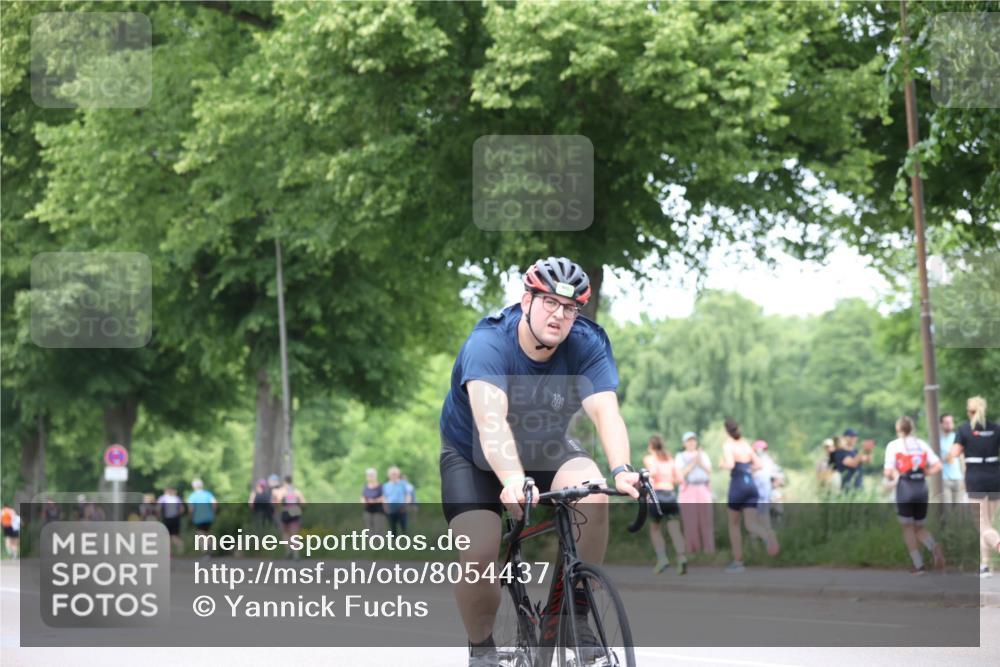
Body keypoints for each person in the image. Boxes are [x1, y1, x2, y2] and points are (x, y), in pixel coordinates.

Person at [438, 257, 638, 667]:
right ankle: (482, 649)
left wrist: (622, 469)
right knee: (478, 552)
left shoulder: (587, 342)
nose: (559, 315)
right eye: (549, 302)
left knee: (594, 494)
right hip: (473, 452)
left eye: (570, 308)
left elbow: (605, 412)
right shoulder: (488, 344)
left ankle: (573, 614)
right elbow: (491, 424)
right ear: (526, 300)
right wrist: (511, 478)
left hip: (545, 443)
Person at [883, 416, 945, 575]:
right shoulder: (921, 444)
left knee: (907, 528)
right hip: (921, 488)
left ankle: (919, 566)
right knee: (919, 527)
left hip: (905, 488)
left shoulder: (894, 445)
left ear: (898, 430)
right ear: (912, 429)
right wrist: (926, 472)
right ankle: (933, 546)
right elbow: (938, 465)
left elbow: (888, 472)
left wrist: (894, 477)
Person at [946, 396, 1000, 578]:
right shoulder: (995, 428)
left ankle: (998, 545)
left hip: (976, 477)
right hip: (994, 477)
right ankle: (985, 565)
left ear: (970, 412)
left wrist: (951, 454)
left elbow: (953, 454)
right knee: (988, 524)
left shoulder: (964, 429)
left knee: (982, 525)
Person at [720, 418, 779, 573]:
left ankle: (738, 562)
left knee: (733, 525)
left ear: (726, 431)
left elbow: (731, 464)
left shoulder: (728, 445)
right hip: (751, 485)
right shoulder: (745, 444)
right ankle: (767, 535)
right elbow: (759, 464)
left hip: (738, 484)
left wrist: (722, 464)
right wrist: (747, 470)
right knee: (750, 524)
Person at [642, 434, 687, 574]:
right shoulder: (670, 460)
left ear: (650, 446)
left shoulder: (649, 459)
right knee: (675, 529)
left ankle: (662, 559)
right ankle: (681, 558)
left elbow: (652, 473)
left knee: (655, 529)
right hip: (671, 496)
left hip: (657, 496)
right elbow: (680, 479)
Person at [677, 431, 715, 555]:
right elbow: (680, 474)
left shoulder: (703, 455)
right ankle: (692, 551)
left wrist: (700, 461)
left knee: (706, 520)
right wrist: (694, 462)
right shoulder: (680, 456)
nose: (692, 443)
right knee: (690, 521)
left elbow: (709, 471)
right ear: (684, 443)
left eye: (693, 440)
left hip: (703, 488)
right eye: (689, 440)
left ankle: (709, 551)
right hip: (688, 489)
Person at [274, 476, 305, 558]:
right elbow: (303, 503)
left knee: (285, 532)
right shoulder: (296, 491)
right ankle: (296, 553)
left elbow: (277, 502)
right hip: (295, 510)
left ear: (285, 482)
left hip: (286, 510)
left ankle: (288, 550)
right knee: (295, 533)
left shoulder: (282, 491)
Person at [751, 440, 780, 529]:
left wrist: (774, 486)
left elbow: (776, 477)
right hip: (756, 492)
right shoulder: (753, 461)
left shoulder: (768, 461)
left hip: (765, 492)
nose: (760, 451)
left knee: (764, 513)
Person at [938, 413, 965, 505]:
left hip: (958, 477)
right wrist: (948, 456)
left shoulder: (957, 437)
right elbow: (934, 459)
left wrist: (964, 477)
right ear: (941, 424)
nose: (949, 424)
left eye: (951, 422)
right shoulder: (937, 439)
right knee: (947, 509)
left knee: (958, 508)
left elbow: (962, 458)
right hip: (943, 479)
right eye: (946, 422)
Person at [186, 478, 218, 552]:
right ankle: (212, 548)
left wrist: (190, 516)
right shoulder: (208, 494)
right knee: (207, 533)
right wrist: (213, 512)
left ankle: (206, 551)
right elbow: (215, 503)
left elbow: (191, 508)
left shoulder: (192, 496)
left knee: (200, 535)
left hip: (198, 518)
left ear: (193, 486)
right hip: (209, 517)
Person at [382, 466, 413, 536]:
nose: (393, 475)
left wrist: (406, 506)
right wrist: (386, 508)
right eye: (392, 474)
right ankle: (394, 543)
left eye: (395, 474)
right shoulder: (386, 485)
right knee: (392, 529)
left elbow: (408, 495)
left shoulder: (403, 484)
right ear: (389, 475)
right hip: (391, 510)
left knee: (404, 528)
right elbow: (384, 498)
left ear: (398, 474)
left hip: (402, 509)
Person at [157, 486, 185, 555]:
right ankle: (175, 550)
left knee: (168, 536)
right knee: (174, 535)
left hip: (167, 519)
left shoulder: (163, 498)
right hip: (176, 519)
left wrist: (159, 516)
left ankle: (174, 550)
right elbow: (182, 509)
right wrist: (177, 515)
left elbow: (158, 508)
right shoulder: (176, 498)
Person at [360, 468, 386, 535]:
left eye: (372, 475)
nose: (370, 477)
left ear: (375, 476)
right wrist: (364, 501)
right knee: (369, 531)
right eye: (369, 475)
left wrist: (373, 501)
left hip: (378, 511)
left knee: (378, 530)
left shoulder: (381, 486)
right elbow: (362, 497)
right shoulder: (365, 487)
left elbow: (383, 498)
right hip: (368, 511)